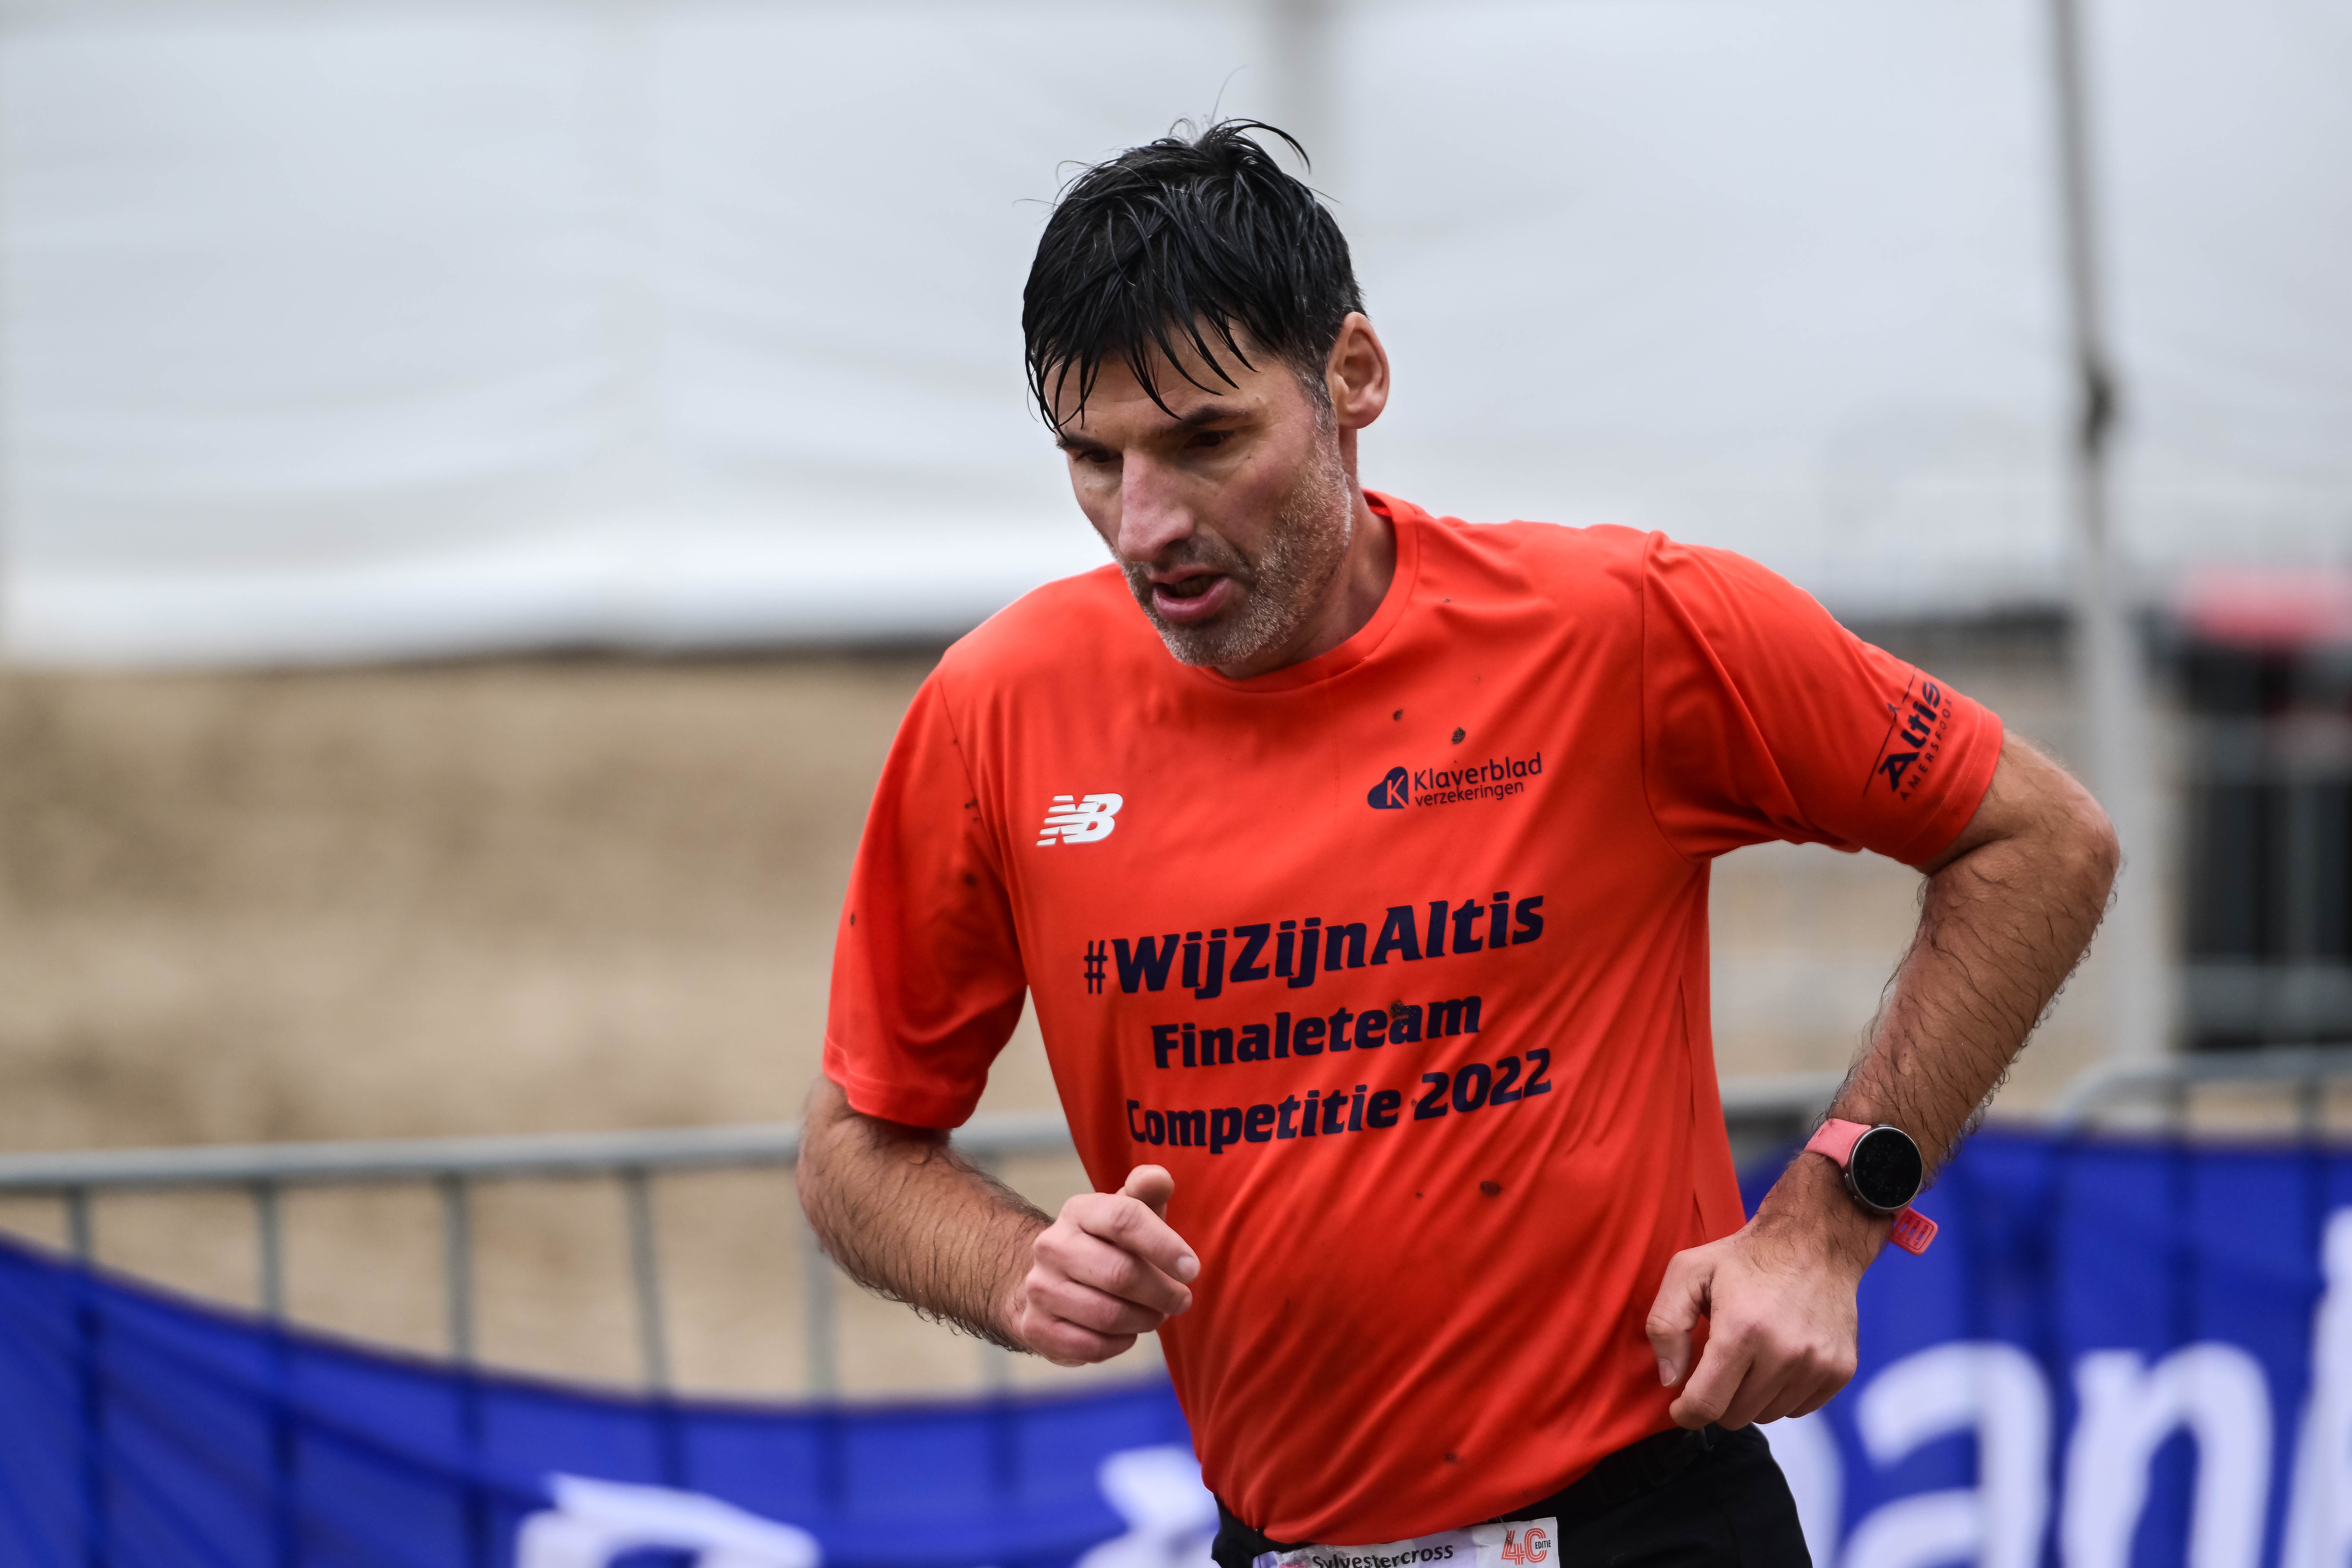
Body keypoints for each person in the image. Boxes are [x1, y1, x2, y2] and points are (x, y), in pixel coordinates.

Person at [797, 121, 2117, 1564]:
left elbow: (2039, 839)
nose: (1146, 524)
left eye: (1206, 441)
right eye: (1093, 458)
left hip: (1647, 1525)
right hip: (1280, 1540)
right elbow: (857, 1145)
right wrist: (1014, 1269)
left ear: (1352, 377)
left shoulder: (1620, 628)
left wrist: (1827, 1218)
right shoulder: (998, 707)